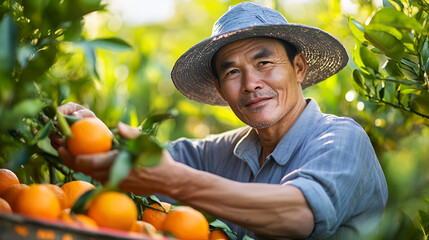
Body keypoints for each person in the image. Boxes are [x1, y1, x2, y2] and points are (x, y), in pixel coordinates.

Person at [51, 2, 388, 239]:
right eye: (232, 71)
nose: (250, 83)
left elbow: (298, 214)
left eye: (264, 62)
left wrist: (178, 182)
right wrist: (87, 129)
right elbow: (146, 158)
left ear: (298, 68)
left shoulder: (342, 139)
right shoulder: (224, 152)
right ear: (220, 88)